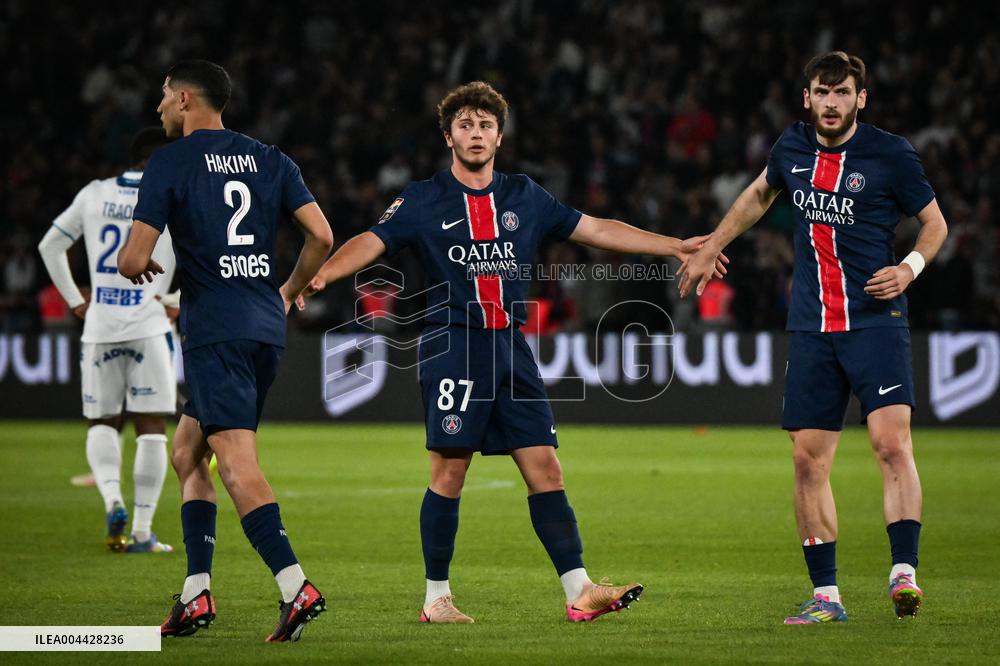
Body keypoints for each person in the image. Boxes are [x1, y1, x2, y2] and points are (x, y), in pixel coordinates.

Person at [299, 81, 726, 623]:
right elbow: (372, 240)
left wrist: (672, 245)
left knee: (546, 468)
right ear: (448, 135)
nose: (475, 133)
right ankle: (436, 598)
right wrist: (324, 273)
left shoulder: (524, 195)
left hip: (511, 347)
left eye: (485, 125)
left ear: (499, 136)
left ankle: (579, 590)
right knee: (449, 472)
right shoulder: (424, 198)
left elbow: (593, 228)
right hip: (454, 344)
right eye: (465, 125)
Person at [678, 51, 948, 623]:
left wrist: (909, 269)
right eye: (822, 93)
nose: (832, 103)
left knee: (890, 444)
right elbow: (758, 195)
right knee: (806, 460)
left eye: (843, 92)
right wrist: (712, 245)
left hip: (875, 320)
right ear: (807, 98)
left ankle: (904, 571)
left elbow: (935, 223)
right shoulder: (792, 148)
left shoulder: (890, 154)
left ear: (860, 98)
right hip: (811, 328)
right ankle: (827, 597)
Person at [117, 60, 334, 642]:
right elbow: (322, 236)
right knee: (187, 452)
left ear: (187, 99)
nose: (159, 105)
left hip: (215, 330)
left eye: (164, 94)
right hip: (264, 324)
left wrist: (143, 260)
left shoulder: (169, 162)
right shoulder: (269, 157)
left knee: (235, 462)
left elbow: (132, 261)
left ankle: (295, 586)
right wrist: (289, 290)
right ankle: (196, 594)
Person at [38, 127, 177, 554]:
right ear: (163, 159)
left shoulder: (94, 193)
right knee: (151, 427)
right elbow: (205, 254)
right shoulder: (173, 194)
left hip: (100, 325)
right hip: (150, 324)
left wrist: (73, 302)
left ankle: (113, 500)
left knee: (102, 422)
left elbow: (50, 246)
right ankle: (141, 530)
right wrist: (176, 297)